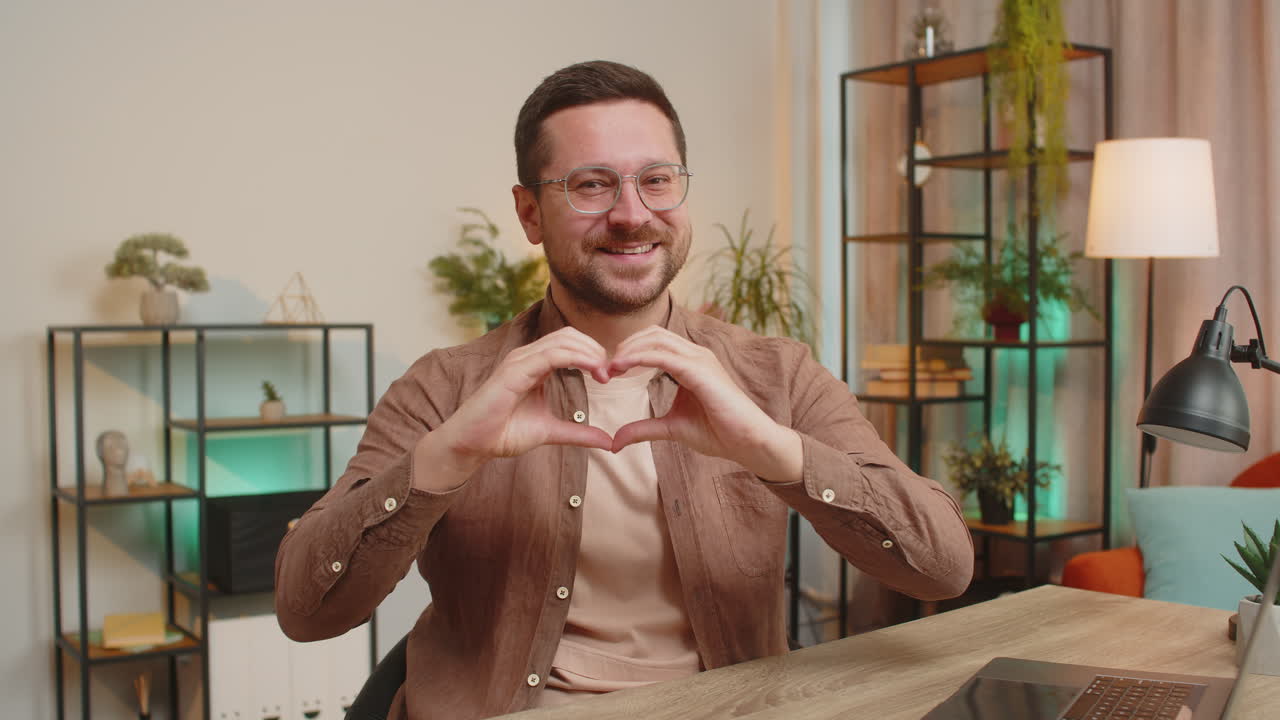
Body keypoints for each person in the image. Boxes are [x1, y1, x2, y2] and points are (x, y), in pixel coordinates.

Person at [274, 60, 973, 720]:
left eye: (657, 180)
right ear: (529, 214)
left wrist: (771, 448)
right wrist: (444, 460)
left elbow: (944, 567)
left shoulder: (776, 374)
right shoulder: (444, 386)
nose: (632, 214)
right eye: (591, 184)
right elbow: (306, 611)